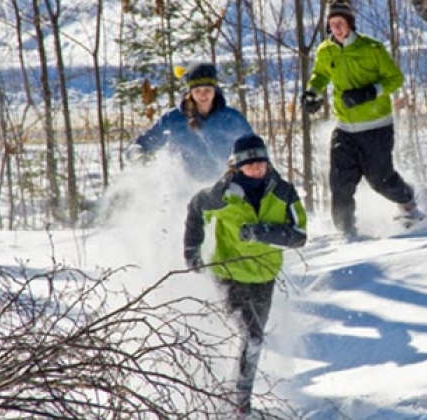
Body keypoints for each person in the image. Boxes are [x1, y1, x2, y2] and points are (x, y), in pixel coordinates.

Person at [182, 133, 307, 414]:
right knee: (252, 337)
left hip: (264, 277)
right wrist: (192, 249)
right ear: (237, 166)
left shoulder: (283, 192)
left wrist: (263, 233)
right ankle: (240, 405)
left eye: (261, 163)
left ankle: (234, 395)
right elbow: (195, 207)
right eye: (250, 165)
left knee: (253, 340)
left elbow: (299, 235)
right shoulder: (222, 194)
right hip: (229, 275)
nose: (257, 168)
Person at [301, 0, 421, 236]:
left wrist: (370, 92)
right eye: (332, 23)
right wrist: (311, 94)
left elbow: (395, 79)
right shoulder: (326, 51)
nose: (336, 28)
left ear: (350, 24)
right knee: (340, 184)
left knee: (380, 181)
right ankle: (345, 233)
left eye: (340, 23)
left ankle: (408, 201)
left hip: (376, 126)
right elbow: (320, 76)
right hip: (345, 128)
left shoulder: (372, 49)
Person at [126, 62, 254, 180]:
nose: (203, 95)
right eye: (197, 91)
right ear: (190, 92)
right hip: (183, 190)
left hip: (226, 188)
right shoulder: (173, 119)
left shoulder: (232, 118)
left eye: (207, 90)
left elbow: (255, 150)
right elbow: (140, 145)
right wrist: (139, 156)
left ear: (215, 90)